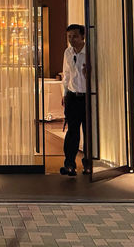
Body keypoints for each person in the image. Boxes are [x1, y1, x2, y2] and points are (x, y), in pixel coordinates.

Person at [60, 24, 91, 176]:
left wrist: (89, 74)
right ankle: (69, 164)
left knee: (88, 132)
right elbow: (66, 74)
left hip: (87, 97)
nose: (72, 40)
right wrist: (65, 94)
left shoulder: (90, 52)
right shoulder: (68, 52)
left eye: (75, 36)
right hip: (73, 96)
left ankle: (89, 164)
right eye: (69, 37)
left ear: (83, 37)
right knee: (72, 132)